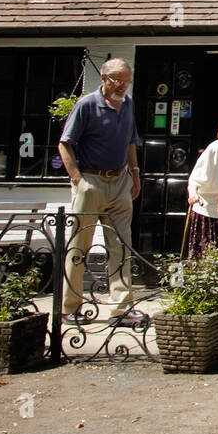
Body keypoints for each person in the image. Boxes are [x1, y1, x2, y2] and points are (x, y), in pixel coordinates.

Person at [57, 58, 144, 326]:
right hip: (91, 179)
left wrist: (135, 173)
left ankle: (120, 309)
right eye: (119, 80)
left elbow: (131, 140)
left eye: (127, 80)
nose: (124, 85)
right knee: (79, 245)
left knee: (121, 245)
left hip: (120, 181)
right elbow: (65, 144)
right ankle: (70, 308)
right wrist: (77, 180)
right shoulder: (86, 105)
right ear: (105, 79)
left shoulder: (128, 104)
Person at [185, 122, 218, 257]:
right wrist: (193, 195)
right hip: (208, 210)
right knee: (205, 255)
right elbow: (194, 179)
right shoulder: (215, 149)